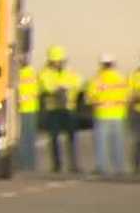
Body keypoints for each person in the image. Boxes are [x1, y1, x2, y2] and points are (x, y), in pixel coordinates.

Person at [38, 45, 83, 173]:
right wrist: (57, 90)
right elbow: (45, 87)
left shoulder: (70, 71)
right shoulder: (45, 72)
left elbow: (78, 83)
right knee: (54, 138)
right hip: (54, 109)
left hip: (68, 108)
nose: (57, 63)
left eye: (59, 61)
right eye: (55, 61)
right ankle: (57, 165)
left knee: (72, 138)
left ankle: (73, 165)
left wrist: (66, 88)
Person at [86, 54, 129, 176]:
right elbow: (127, 95)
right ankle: (120, 167)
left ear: (101, 64)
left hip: (102, 114)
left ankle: (102, 167)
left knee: (101, 143)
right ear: (114, 64)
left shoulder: (97, 79)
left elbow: (90, 97)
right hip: (118, 115)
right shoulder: (120, 78)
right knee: (118, 143)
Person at [16, 58, 40, 171]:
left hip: (24, 109)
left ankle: (26, 164)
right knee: (28, 138)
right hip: (29, 108)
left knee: (24, 138)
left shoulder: (20, 73)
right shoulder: (32, 72)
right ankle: (30, 164)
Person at [130, 58, 140, 174]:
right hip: (137, 112)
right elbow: (130, 95)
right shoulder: (134, 76)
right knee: (138, 140)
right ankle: (136, 167)